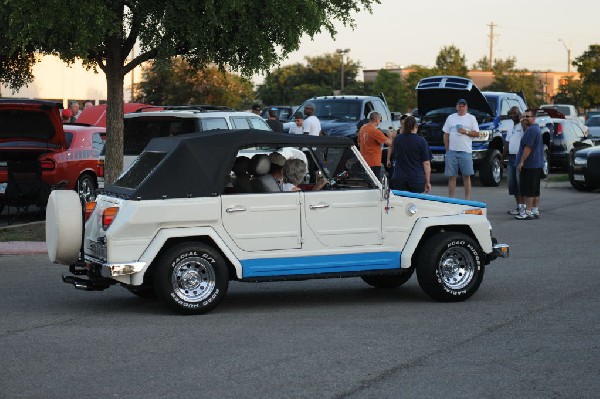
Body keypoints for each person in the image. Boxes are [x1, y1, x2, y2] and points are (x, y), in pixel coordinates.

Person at [442, 98, 480, 200]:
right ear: (456, 107)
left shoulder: (471, 118)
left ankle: (467, 200)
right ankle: (451, 199)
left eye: (463, 106)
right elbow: (446, 133)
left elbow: (477, 133)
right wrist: (447, 149)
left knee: (466, 176)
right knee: (452, 177)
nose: (461, 108)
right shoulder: (451, 118)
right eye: (459, 106)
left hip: (466, 151)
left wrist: (466, 132)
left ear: (466, 107)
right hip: (452, 151)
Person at [390, 116, 432, 193]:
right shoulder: (421, 141)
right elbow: (426, 163)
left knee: (401, 202)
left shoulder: (398, 139)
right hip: (416, 178)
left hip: (399, 177)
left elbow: (395, 154)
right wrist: (427, 181)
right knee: (415, 203)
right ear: (416, 126)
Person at [515, 110, 543, 220]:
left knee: (529, 190)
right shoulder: (536, 129)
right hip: (537, 164)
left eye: (528, 116)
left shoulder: (531, 130)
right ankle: (535, 210)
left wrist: (521, 161)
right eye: (524, 116)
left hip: (530, 165)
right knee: (535, 189)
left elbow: (528, 148)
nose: (525, 118)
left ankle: (528, 212)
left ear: (534, 117)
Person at [503, 106, 525, 215]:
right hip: (511, 158)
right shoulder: (511, 127)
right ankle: (518, 206)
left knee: (520, 183)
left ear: (519, 114)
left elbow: (526, 133)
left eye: (515, 113)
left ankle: (523, 207)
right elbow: (507, 143)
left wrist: (522, 119)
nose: (513, 116)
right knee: (512, 184)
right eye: (511, 114)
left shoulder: (523, 125)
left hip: (519, 157)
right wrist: (503, 157)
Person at [358, 111, 393, 179]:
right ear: (377, 120)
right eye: (380, 120)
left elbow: (359, 143)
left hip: (364, 161)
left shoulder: (362, 128)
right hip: (374, 162)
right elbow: (390, 143)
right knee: (375, 183)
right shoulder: (375, 131)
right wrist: (390, 136)